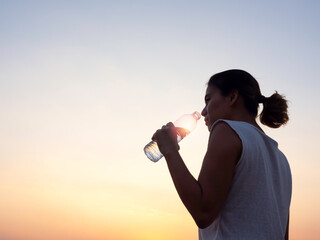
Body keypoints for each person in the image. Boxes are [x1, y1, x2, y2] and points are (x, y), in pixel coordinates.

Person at [152, 69, 292, 240]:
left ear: (232, 97)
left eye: (208, 99)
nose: (203, 111)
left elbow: (203, 212)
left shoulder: (226, 129)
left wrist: (170, 151)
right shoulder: (281, 160)